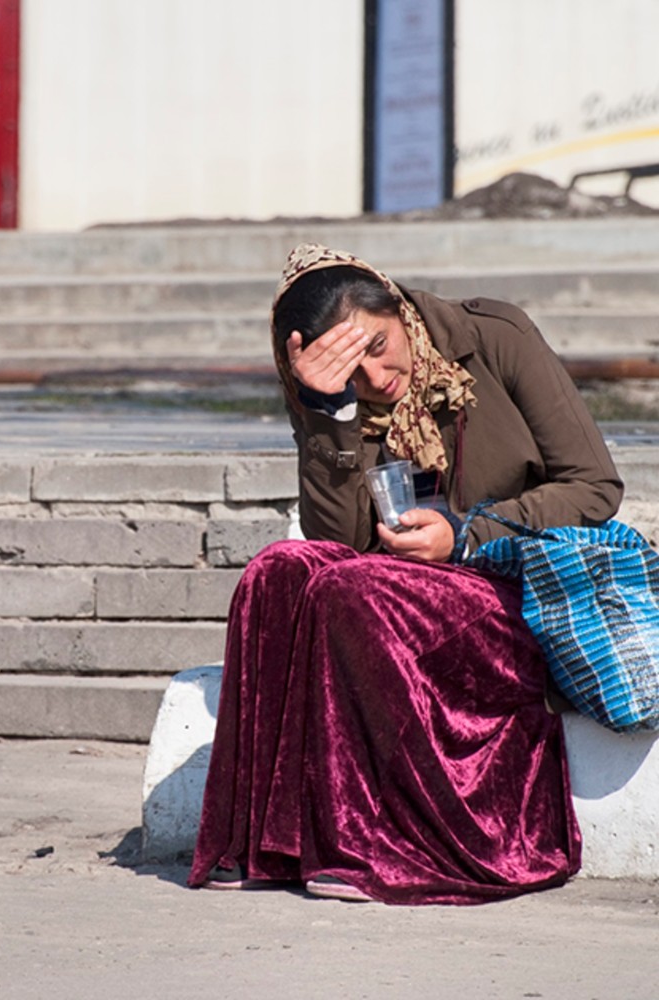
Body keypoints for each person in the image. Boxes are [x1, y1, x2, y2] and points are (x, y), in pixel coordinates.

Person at [187, 243, 623, 905]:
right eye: (349, 365)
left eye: (380, 345)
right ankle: (266, 844)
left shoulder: (493, 336)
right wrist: (328, 415)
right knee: (278, 570)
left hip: (511, 581)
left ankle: (380, 847)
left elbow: (594, 487)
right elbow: (337, 540)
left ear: (397, 306)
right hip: (392, 591)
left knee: (353, 586)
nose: (375, 373)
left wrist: (469, 533)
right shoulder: (330, 391)